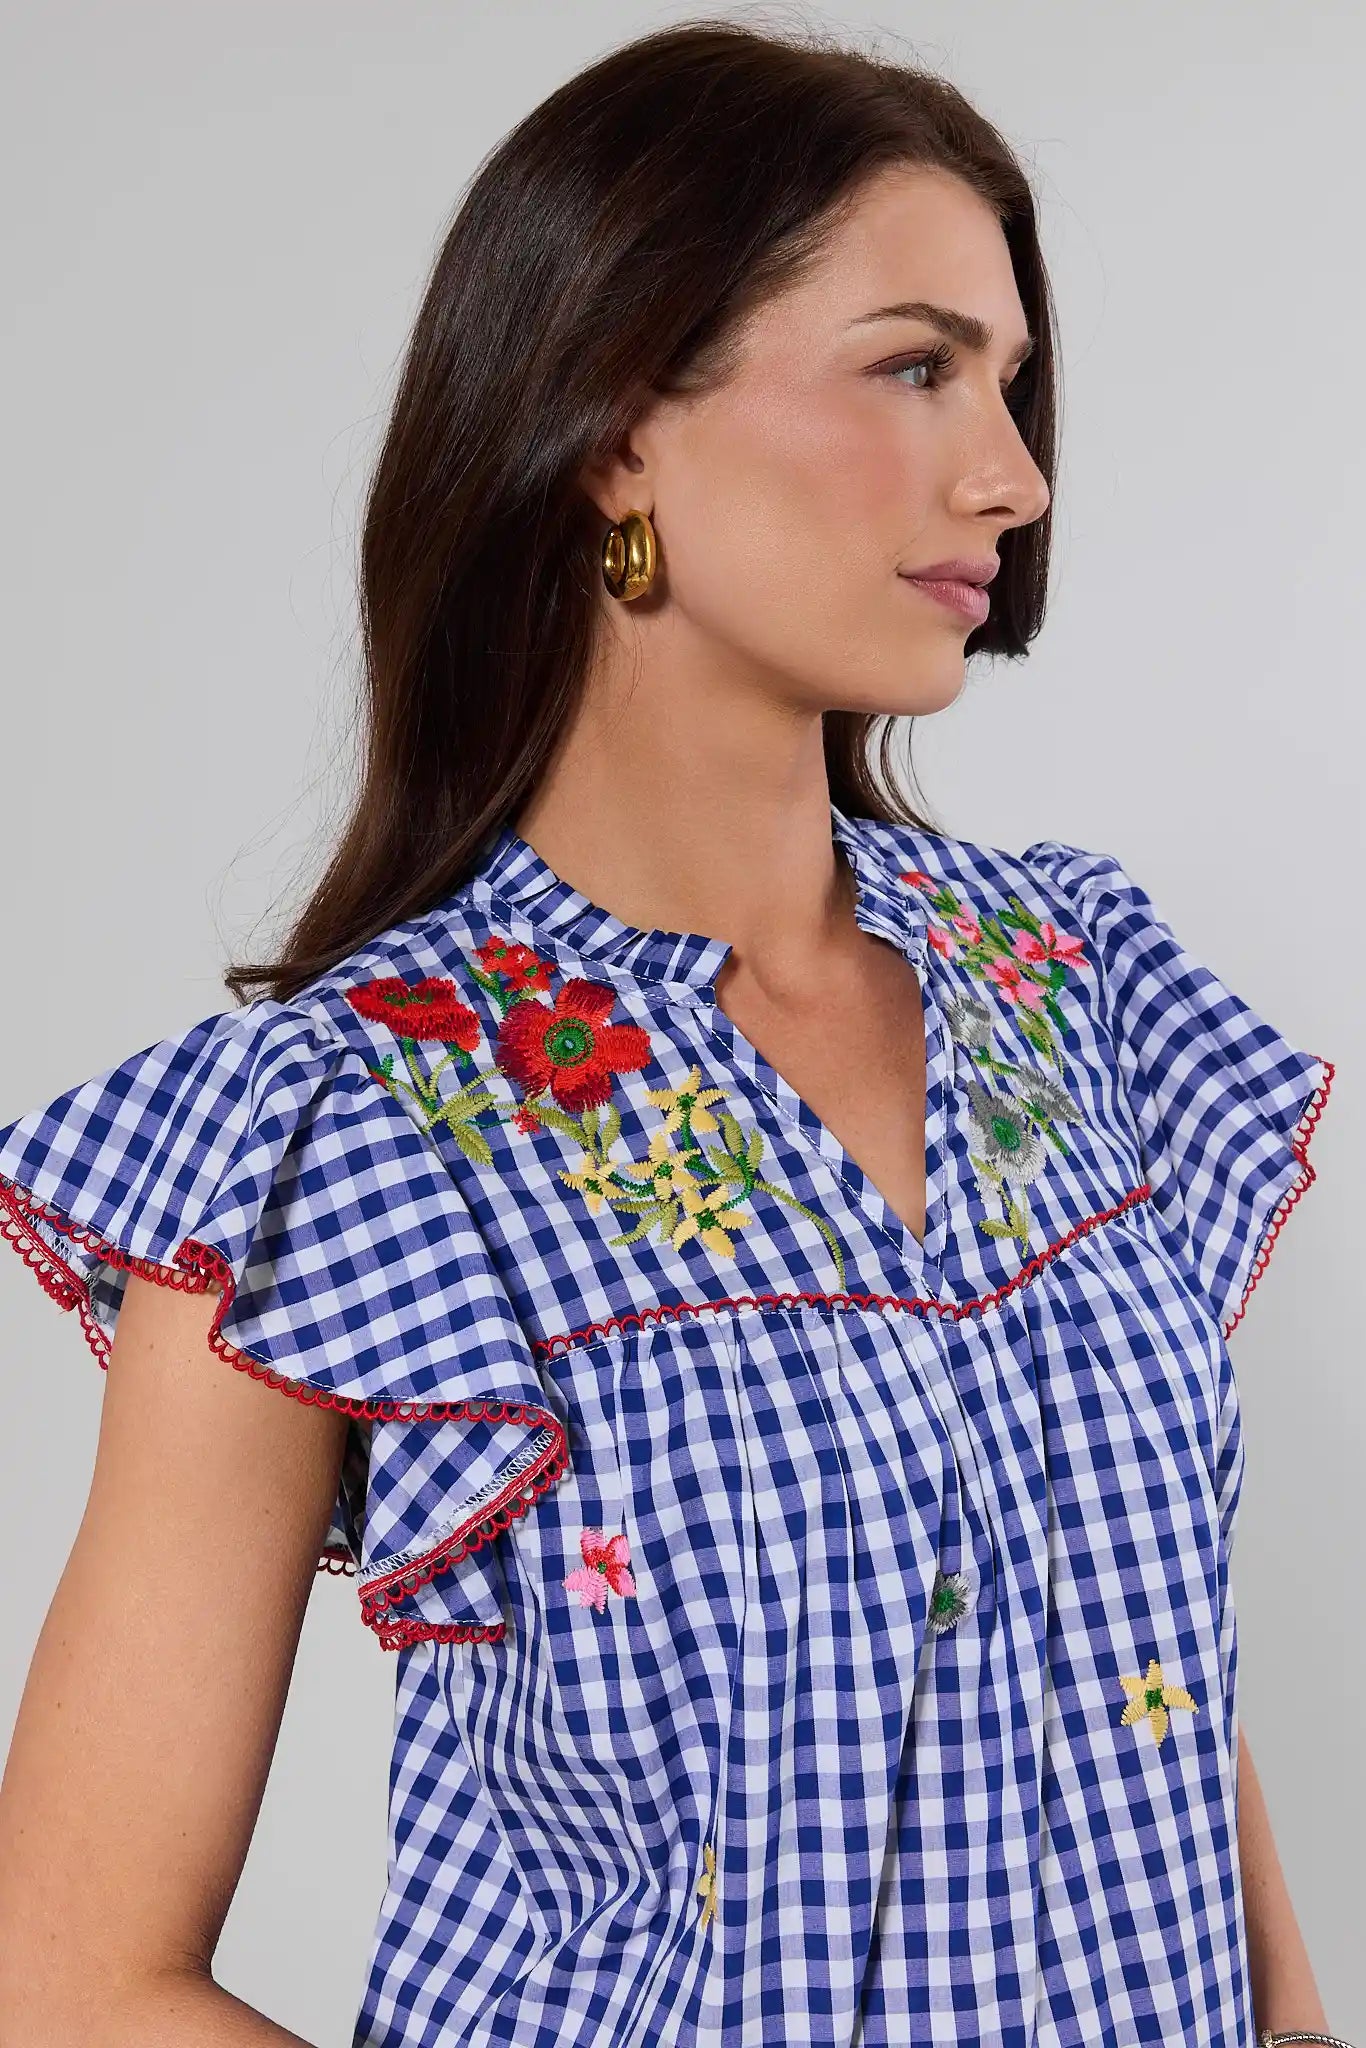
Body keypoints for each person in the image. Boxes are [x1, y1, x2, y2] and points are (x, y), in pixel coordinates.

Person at [0, 19, 1345, 2048]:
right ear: (617, 427)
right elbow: (68, 1978)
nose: (1010, 472)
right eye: (911, 367)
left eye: (1006, 377)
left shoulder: (1070, 987)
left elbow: (1153, 1684)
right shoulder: (349, 1125)